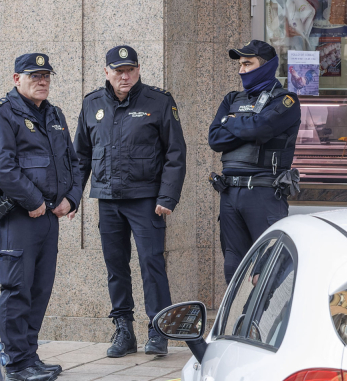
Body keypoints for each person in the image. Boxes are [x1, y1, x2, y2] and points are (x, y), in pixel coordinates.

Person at [74, 46, 187, 358]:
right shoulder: (92, 104)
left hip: (146, 200)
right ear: (107, 72)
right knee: (116, 267)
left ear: (138, 70)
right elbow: (80, 157)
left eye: (131, 70)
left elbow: (175, 153)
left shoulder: (159, 102)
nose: (125, 76)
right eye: (118, 70)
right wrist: (71, 198)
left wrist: (167, 196)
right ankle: (124, 330)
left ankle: (159, 330)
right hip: (108, 201)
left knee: (152, 264)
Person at [0, 53, 82, 381]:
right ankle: (16, 363)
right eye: (34, 75)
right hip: (20, 218)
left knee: (39, 289)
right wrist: (34, 201)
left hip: (49, 217)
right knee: (17, 288)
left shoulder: (55, 114)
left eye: (46, 76)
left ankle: (29, 356)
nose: (42, 81)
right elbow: (1, 167)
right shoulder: (1, 115)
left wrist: (72, 199)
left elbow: (74, 162)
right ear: (16, 79)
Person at [208, 40, 301, 281]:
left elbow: (259, 130)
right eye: (240, 64)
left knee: (267, 272)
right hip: (230, 193)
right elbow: (215, 139)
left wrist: (230, 121)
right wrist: (247, 127)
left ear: (267, 66)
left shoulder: (285, 101)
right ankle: (239, 319)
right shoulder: (232, 99)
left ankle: (261, 319)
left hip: (263, 193)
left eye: (248, 64)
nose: (241, 70)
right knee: (233, 269)